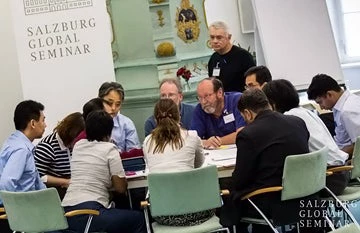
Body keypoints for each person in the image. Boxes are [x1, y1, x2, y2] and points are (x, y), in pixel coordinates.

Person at [224, 89, 312, 233]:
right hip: (306, 195)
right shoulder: (297, 122)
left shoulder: (248, 134)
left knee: (229, 198)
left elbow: (241, 180)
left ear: (248, 113)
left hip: (273, 201)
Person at [62, 110, 145, 233]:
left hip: (66, 212)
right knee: (137, 219)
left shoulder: (78, 146)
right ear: (109, 132)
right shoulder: (109, 149)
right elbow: (120, 188)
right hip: (89, 213)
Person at [263, 79, 349, 195]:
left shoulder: (288, 119)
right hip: (341, 173)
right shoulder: (305, 112)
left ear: (273, 103)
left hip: (326, 179)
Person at [143, 99, 208, 226]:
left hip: (163, 214)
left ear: (155, 119)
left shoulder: (147, 142)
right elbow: (199, 164)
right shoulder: (192, 137)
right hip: (195, 209)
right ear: (179, 116)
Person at [0, 100, 47, 233]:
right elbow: (6, 183)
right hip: (22, 217)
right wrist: (18, 213)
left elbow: (36, 183)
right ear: (33, 123)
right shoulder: (21, 150)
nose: (45, 125)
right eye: (43, 120)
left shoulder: (14, 141)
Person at [34, 112, 85, 199]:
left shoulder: (75, 145)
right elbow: (38, 177)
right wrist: (66, 182)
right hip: (56, 192)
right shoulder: (47, 146)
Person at [307, 74, 360, 156]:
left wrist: (338, 156)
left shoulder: (348, 110)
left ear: (329, 94)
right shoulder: (340, 108)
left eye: (320, 102)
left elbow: (358, 145)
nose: (321, 107)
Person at [190, 77, 245, 149]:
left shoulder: (237, 101)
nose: (203, 102)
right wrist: (205, 142)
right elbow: (192, 140)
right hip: (214, 156)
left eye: (207, 96)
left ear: (219, 92)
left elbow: (242, 134)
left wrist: (217, 141)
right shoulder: (200, 109)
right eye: (200, 98)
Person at [207, 21, 255, 92]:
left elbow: (253, 84)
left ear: (229, 37)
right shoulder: (213, 59)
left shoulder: (243, 56)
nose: (215, 41)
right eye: (212, 37)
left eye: (219, 37)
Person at [98, 82, 140, 152]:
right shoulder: (89, 123)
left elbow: (134, 155)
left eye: (118, 104)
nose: (113, 108)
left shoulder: (127, 124)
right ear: (99, 100)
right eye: (109, 103)